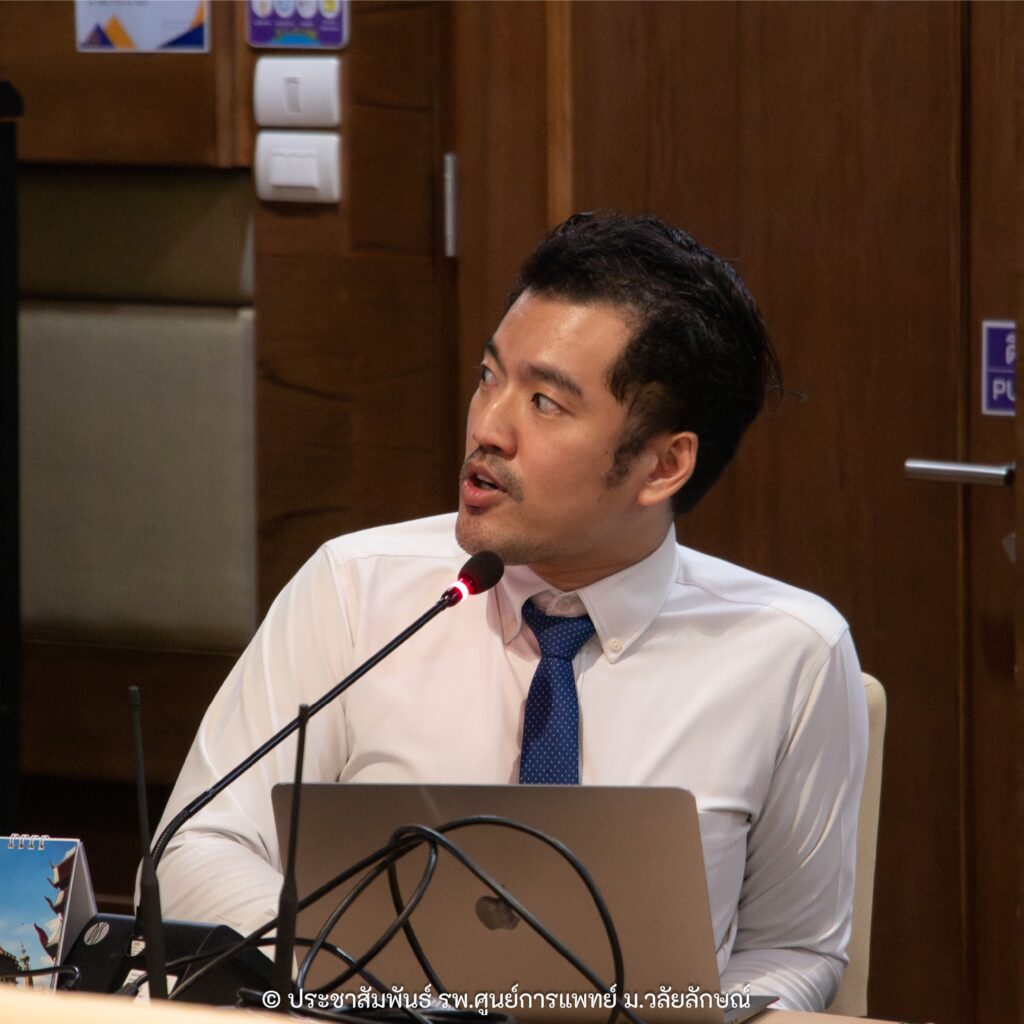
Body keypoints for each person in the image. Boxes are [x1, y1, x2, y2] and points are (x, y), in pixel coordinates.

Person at [153, 212, 867, 1012]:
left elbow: (795, 946)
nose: (488, 427)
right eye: (489, 376)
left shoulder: (789, 653)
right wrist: (365, 987)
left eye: (546, 403)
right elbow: (198, 845)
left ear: (664, 465)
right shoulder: (356, 589)